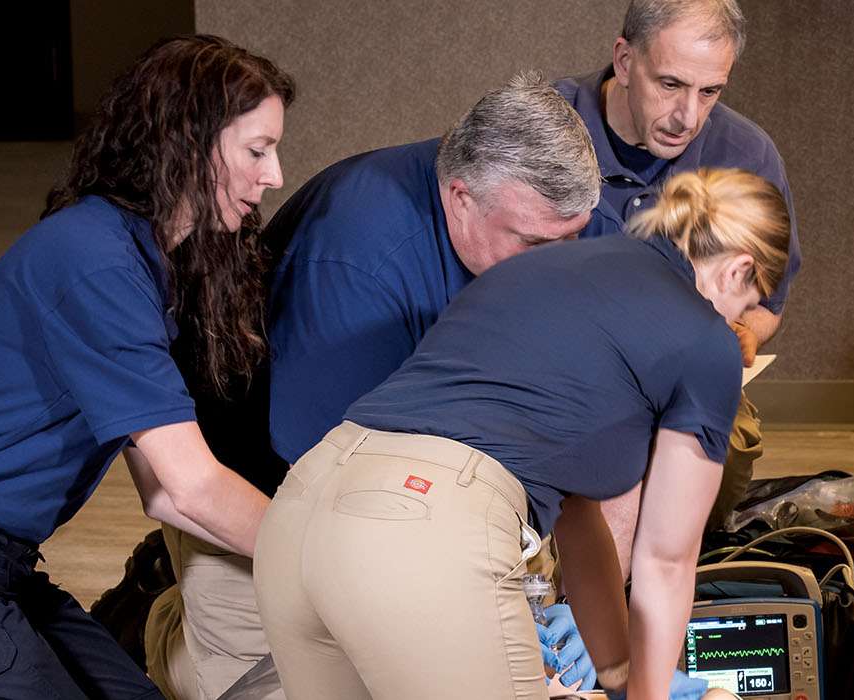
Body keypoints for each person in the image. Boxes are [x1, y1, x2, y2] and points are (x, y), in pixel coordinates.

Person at [0, 35, 293, 699]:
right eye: (257, 150)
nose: (274, 176)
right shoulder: (96, 260)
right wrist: (322, 561)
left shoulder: (151, 268)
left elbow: (161, 490)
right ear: (191, 142)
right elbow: (191, 486)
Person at [137, 74, 601, 699]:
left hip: (425, 478)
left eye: (571, 240)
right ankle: (154, 614)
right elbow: (332, 501)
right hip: (267, 487)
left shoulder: (547, 218)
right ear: (460, 197)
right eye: (535, 244)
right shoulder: (356, 261)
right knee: (259, 685)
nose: (557, 264)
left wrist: (571, 594)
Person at [253, 168, 790, 699]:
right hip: (419, 523)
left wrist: (620, 672)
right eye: (747, 306)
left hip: (298, 516)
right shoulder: (703, 340)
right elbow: (666, 561)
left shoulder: (547, 269)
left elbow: (579, 519)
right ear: (737, 271)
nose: (736, 323)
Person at [554, 0, 803, 546]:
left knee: (725, 455)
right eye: (669, 84)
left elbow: (767, 305)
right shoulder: (548, 132)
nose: (688, 116)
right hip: (556, 370)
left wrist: (741, 333)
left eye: (709, 92)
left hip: (679, 375)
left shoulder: (747, 154)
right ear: (624, 60)